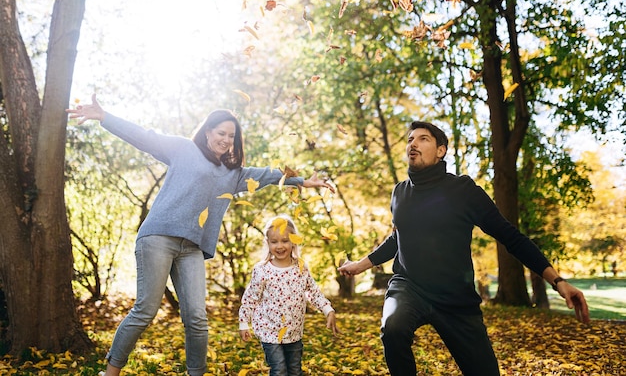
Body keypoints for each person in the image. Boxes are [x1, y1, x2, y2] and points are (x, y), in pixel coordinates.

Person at [66, 95, 334, 376]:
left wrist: (304, 181)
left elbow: (268, 175)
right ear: (207, 131)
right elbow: (144, 137)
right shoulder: (183, 149)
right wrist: (104, 117)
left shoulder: (233, 173)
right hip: (159, 237)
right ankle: (111, 373)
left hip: (192, 247)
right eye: (221, 133)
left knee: (196, 318)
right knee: (146, 310)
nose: (226, 140)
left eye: (231, 136)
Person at [338, 120, 590, 376]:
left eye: (423, 138)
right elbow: (398, 238)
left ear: (441, 151)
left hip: (456, 299)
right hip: (409, 287)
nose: (413, 143)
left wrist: (557, 281)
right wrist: (360, 265)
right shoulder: (400, 193)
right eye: (410, 139)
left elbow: (510, 237)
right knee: (393, 327)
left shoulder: (463, 190)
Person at [238, 215, 338, 376]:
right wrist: (244, 322)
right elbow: (251, 298)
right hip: (269, 330)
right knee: (279, 370)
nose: (280, 246)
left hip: (294, 331)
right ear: (268, 243)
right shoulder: (262, 270)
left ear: (293, 241)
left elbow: (312, 291)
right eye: (274, 241)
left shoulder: (300, 267)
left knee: (295, 370)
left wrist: (328, 310)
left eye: (285, 240)